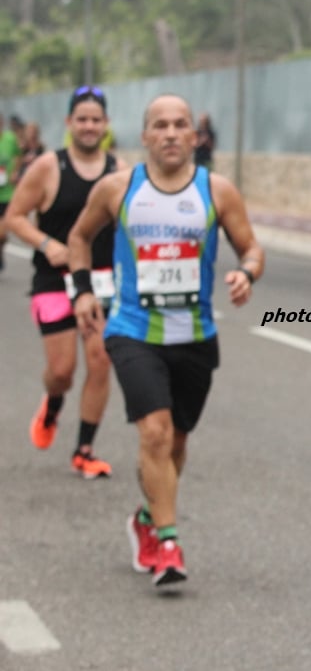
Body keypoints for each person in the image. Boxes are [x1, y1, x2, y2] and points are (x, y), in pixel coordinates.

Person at [69, 93, 264, 590]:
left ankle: (147, 517)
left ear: (194, 136)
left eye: (181, 124)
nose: (172, 133)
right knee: (153, 433)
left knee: (176, 442)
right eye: (161, 125)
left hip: (195, 335)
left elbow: (251, 247)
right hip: (132, 330)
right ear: (145, 136)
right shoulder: (118, 188)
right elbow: (79, 237)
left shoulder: (217, 191)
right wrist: (84, 292)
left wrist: (246, 273)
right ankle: (168, 543)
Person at [3, 87, 124, 477]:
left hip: (102, 281)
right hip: (54, 279)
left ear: (105, 125)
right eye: (82, 119)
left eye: (96, 120)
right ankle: (53, 403)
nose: (89, 126)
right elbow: (14, 217)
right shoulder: (49, 167)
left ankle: (85, 449)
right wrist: (46, 243)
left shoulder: (119, 171)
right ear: (69, 123)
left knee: (101, 359)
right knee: (62, 370)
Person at [0, 113, 23, 271]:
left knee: (2, 234)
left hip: (7, 192)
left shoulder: (10, 138)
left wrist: (15, 171)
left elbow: (18, 156)